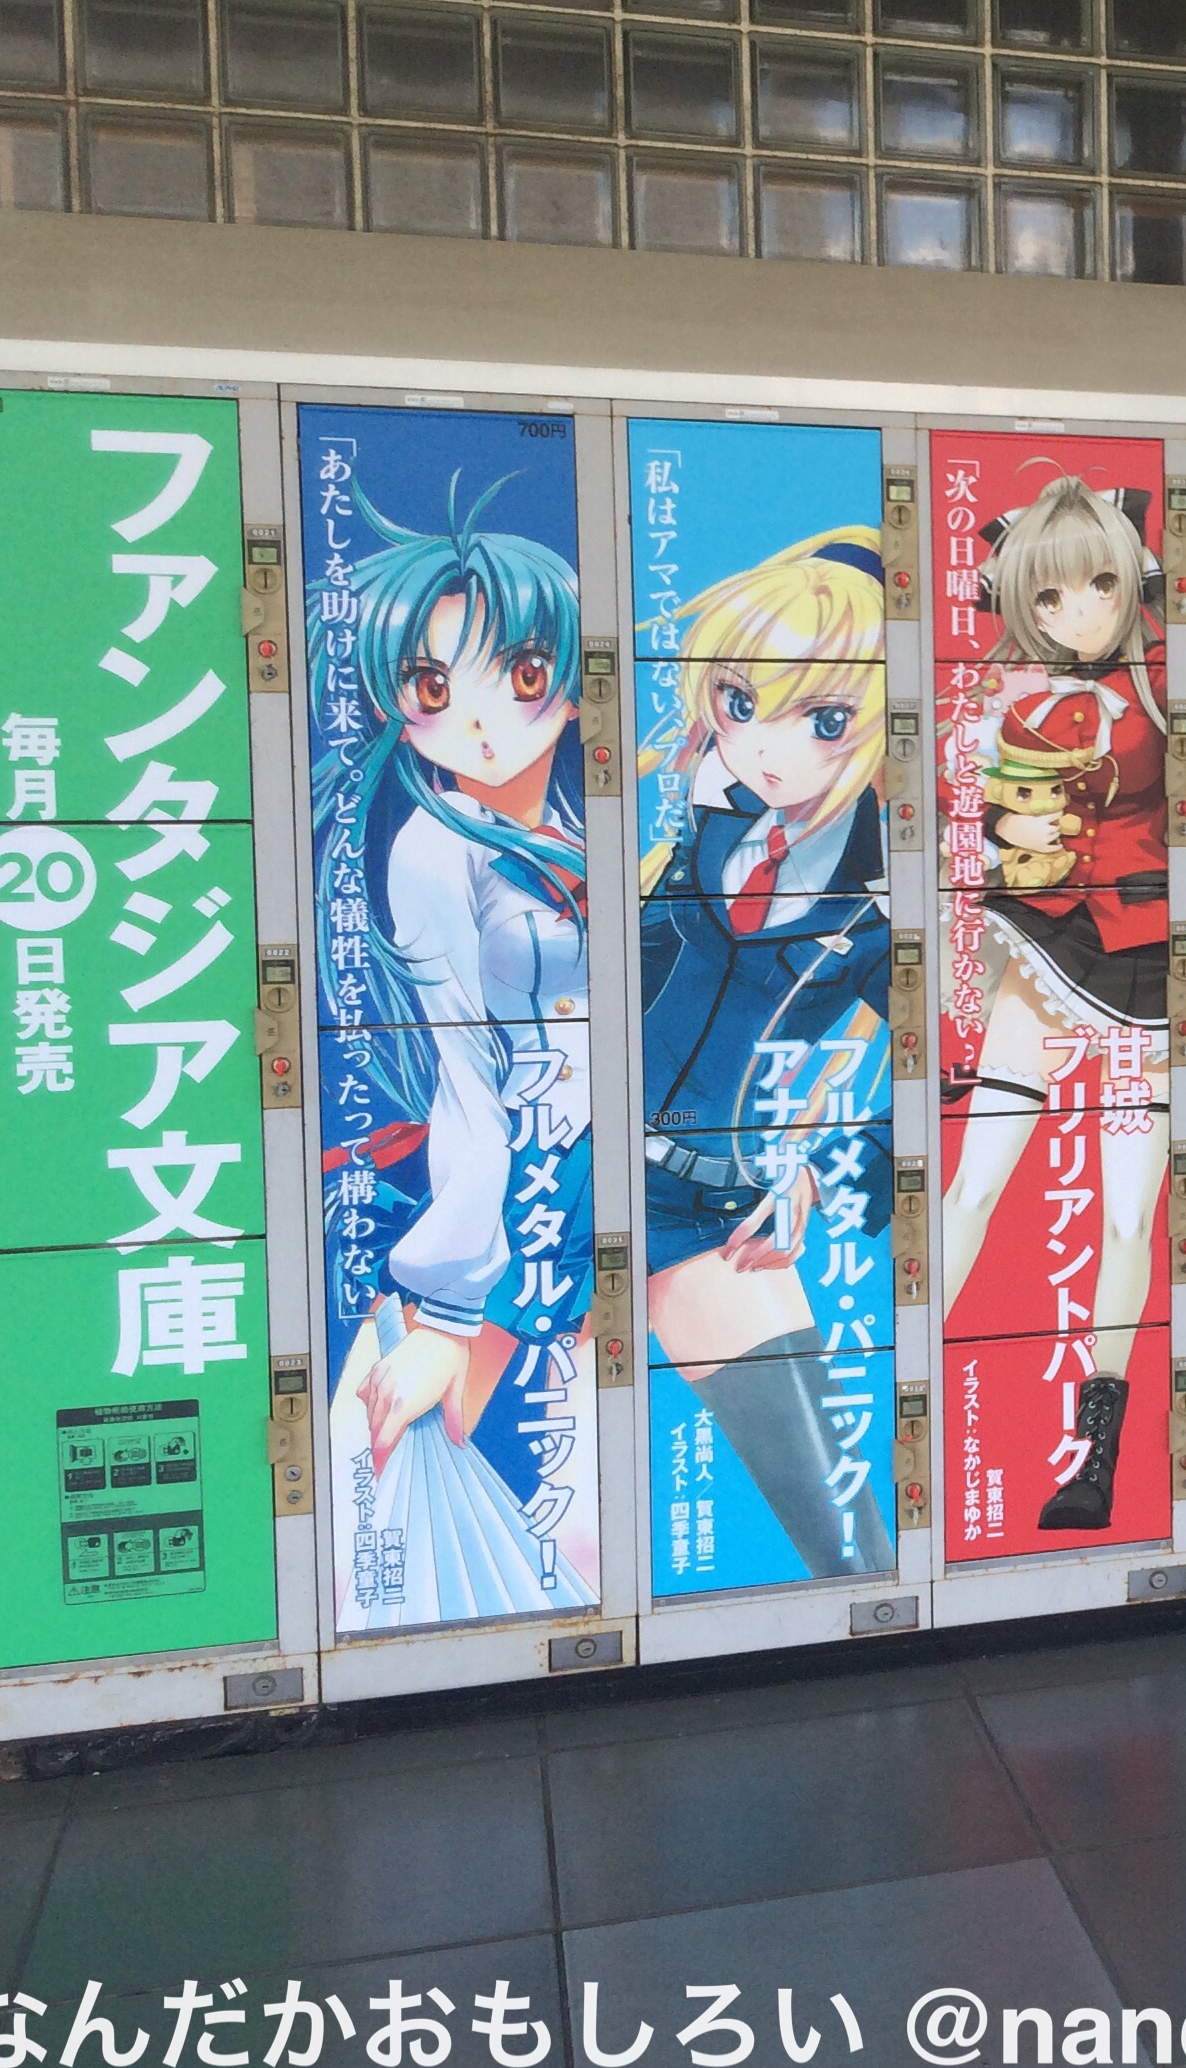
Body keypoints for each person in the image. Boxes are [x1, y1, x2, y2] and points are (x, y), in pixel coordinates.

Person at [312, 481, 595, 1621]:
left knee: (558, 1507)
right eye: (435, 688)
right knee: (410, 1509)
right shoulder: (434, 854)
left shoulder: (569, 827)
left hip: (573, 1181)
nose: (481, 722)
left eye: (520, 675)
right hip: (509, 1198)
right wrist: (444, 1313)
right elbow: (468, 1079)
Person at [637, 530, 898, 1578]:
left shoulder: (880, 899)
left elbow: (955, 1067)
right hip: (573, 1172)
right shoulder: (706, 822)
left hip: (710, 1209)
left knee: (849, 1544)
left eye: (824, 720)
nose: (763, 748)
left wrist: (829, 1174)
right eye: (742, 702)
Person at [939, 478, 1169, 1532]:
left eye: (1101, 586)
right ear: (1019, 602)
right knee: (972, 1185)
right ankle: (904, 1401)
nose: (1081, 613)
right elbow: (972, 829)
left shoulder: (1164, 687)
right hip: (1040, 945)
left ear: (1134, 583)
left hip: (1150, 958)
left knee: (1129, 1214)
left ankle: (1097, 1461)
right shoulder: (1003, 698)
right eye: (1051, 597)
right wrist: (1005, 823)